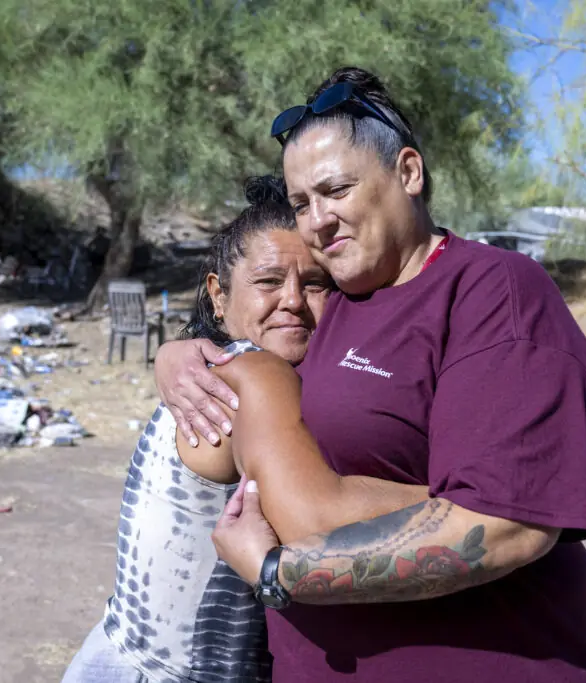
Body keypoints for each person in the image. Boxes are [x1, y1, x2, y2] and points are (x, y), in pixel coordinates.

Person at [154, 67, 586, 682]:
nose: (316, 219)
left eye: (336, 189)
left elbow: (506, 527)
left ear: (408, 173)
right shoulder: (331, 304)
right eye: (300, 203)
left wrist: (280, 573)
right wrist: (183, 349)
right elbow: (245, 375)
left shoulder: (493, 293)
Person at [62, 175, 426, 683]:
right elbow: (320, 517)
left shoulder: (226, 369)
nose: (294, 300)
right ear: (218, 293)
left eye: (316, 283)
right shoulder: (255, 374)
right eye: (269, 281)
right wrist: (481, 503)